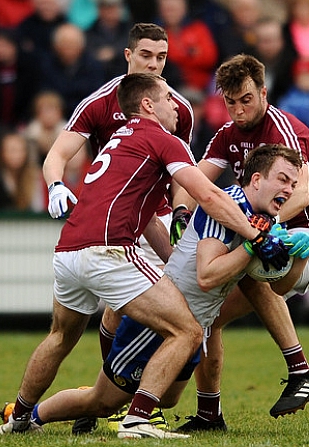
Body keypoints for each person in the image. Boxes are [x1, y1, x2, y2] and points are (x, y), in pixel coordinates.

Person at [0, 72, 288, 439]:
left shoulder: (117, 142)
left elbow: (147, 215)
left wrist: (170, 257)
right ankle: (137, 420)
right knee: (188, 330)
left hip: (68, 252)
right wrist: (255, 235)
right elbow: (209, 196)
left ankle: (19, 416)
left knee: (59, 338)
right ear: (148, 105)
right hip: (108, 252)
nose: (176, 106)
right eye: (167, 98)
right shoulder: (163, 140)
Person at [170, 54, 309, 431]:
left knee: (248, 264)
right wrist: (180, 215)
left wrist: (260, 228)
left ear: (263, 92)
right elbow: (193, 179)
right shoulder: (228, 134)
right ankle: (209, 414)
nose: (237, 110)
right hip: (273, 237)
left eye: (245, 99)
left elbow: (301, 196)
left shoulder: (284, 129)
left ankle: (301, 371)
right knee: (210, 316)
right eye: (230, 102)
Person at [46, 22, 196, 435]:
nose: (154, 64)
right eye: (146, 55)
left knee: (187, 309)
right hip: (112, 222)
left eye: (161, 57)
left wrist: (182, 216)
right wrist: (56, 185)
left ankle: (187, 405)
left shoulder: (178, 106)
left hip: (157, 215)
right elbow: (57, 153)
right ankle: (122, 401)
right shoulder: (99, 102)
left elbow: (186, 175)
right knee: (120, 317)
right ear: (128, 55)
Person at [0, 132, 45, 212]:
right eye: (12, 150)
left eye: (21, 150)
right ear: (1, 153)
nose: (17, 155)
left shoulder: (33, 176)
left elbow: (38, 211)